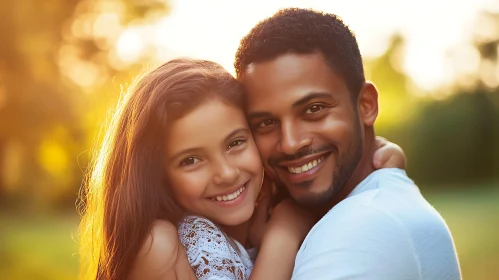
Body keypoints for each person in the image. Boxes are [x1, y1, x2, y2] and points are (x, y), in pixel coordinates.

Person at [78, 58, 406, 280]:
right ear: (156, 175)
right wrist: (285, 231)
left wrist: (379, 150)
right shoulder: (159, 244)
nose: (226, 173)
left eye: (235, 143)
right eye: (190, 160)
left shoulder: (266, 197)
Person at [234, 8, 462, 280]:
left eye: (314, 108)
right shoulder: (364, 204)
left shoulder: (359, 229)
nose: (291, 144)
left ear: (366, 105)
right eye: (265, 123)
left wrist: (283, 233)